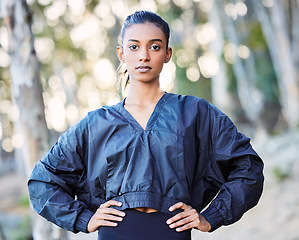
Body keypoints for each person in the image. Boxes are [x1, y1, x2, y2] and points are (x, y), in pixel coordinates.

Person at [28, 10, 264, 240]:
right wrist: (84, 218)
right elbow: (43, 181)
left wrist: (212, 216)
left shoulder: (195, 113)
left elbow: (248, 167)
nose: (144, 56)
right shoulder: (96, 123)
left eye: (154, 46)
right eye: (134, 47)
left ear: (168, 53)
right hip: (115, 233)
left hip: (171, 231)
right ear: (121, 54)